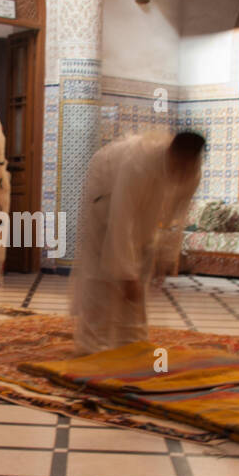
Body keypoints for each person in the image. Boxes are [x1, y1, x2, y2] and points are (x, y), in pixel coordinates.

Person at [71, 130, 205, 355]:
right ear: (173, 153)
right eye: (179, 163)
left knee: (141, 266)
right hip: (105, 195)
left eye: (187, 165)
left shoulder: (192, 170)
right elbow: (121, 217)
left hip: (143, 211)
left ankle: (131, 342)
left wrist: (166, 259)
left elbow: (178, 214)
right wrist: (125, 274)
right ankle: (90, 346)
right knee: (101, 275)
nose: (182, 170)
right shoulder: (138, 162)